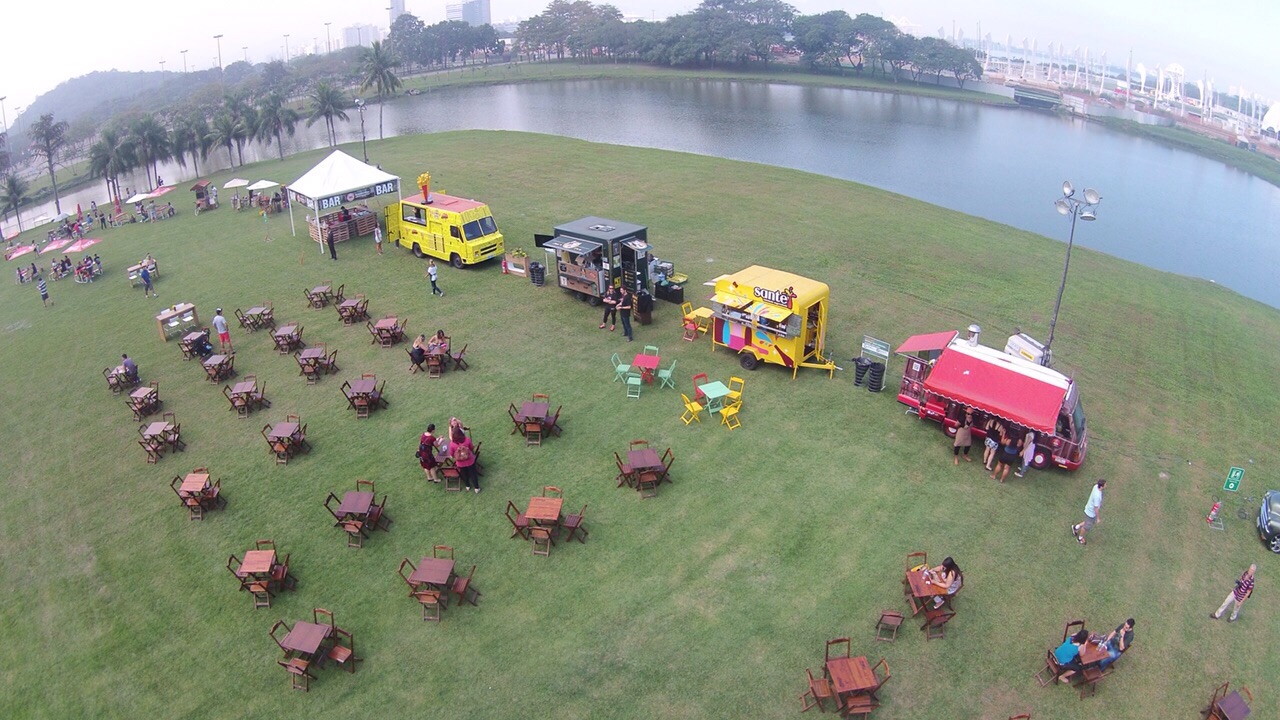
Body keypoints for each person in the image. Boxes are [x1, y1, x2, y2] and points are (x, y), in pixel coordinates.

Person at [1072, 479, 1106, 545]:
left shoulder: (1096, 486)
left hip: (1089, 509)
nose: (1106, 485)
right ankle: (1080, 538)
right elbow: (1096, 508)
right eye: (1105, 484)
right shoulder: (1097, 496)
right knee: (1086, 526)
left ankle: (1076, 527)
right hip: (1091, 513)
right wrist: (1098, 518)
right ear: (1101, 486)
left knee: (1088, 522)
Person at [449, 425, 479, 493]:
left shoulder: (452, 444)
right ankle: (476, 488)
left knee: (464, 474)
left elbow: (451, 454)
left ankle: (467, 486)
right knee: (473, 473)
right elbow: (471, 448)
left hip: (460, 463)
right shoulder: (467, 440)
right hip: (470, 461)